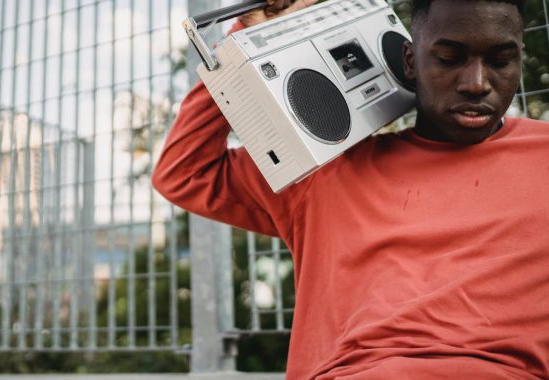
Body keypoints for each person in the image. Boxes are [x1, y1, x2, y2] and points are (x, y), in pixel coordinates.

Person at [152, 0, 549, 378]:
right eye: (448, 59)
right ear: (409, 61)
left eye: (500, 61)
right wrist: (244, 43)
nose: (476, 83)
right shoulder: (323, 172)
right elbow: (184, 172)